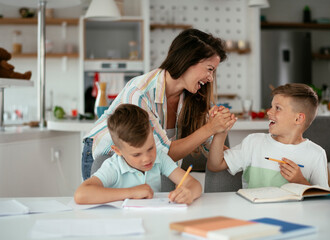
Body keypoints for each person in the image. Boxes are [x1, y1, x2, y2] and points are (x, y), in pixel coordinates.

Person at [82, 28, 236, 180]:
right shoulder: (140, 93)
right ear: (188, 60)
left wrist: (238, 148)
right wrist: (210, 128)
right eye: (209, 69)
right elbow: (162, 154)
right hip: (106, 155)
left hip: (140, 163)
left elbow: (210, 147)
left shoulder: (194, 96)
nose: (211, 78)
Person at [207, 83, 329, 188]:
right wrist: (221, 132)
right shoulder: (253, 142)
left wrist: (300, 181)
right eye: (271, 106)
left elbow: (322, 200)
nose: (269, 112)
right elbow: (215, 165)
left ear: (298, 118)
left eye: (277, 108)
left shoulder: (316, 154)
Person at [75, 104, 202, 204]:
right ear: (118, 150)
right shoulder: (114, 167)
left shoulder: (160, 157)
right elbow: (81, 194)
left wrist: (189, 193)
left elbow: (194, 184)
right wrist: (131, 192)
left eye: (150, 148)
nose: (147, 158)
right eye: (136, 155)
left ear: (152, 133)